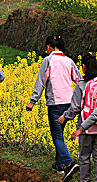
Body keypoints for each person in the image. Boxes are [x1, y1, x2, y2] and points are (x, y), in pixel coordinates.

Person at [26, 36, 81, 177]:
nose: (46, 49)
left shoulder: (48, 60)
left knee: (56, 136)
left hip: (55, 104)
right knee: (60, 135)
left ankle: (69, 163)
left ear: (50, 47)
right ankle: (59, 165)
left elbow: (41, 81)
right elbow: (79, 80)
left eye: (46, 47)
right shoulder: (69, 61)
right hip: (69, 104)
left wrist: (33, 101)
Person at [65, 54, 97, 182]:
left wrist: (65, 117)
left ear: (84, 67)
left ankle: (85, 180)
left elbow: (76, 107)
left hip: (86, 128)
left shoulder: (83, 84)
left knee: (84, 157)